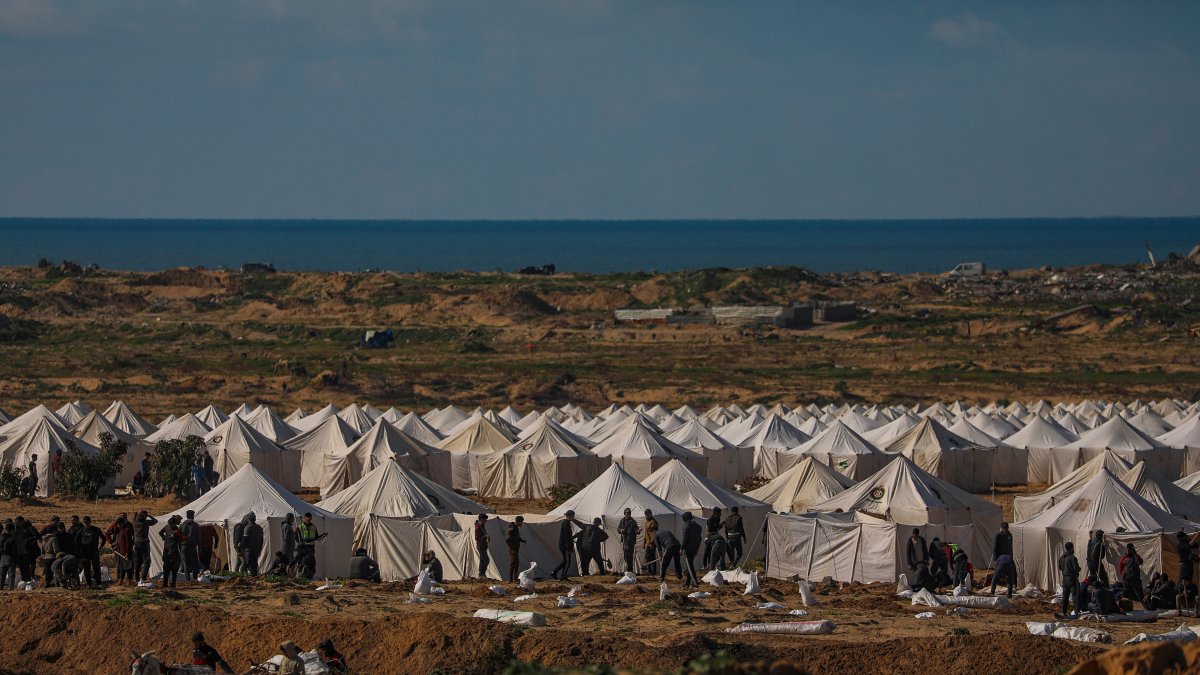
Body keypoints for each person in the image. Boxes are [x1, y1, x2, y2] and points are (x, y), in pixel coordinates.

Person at [74, 516, 107, 588]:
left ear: (90, 522)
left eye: (88, 523)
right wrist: (79, 551)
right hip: (84, 553)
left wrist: (100, 547)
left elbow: (104, 538)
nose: (86, 524)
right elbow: (76, 542)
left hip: (94, 552)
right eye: (85, 523)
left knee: (96, 568)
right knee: (86, 568)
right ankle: (89, 583)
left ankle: (98, 583)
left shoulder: (96, 529)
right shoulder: (81, 531)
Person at [106, 513, 134, 585]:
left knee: (128, 566)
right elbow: (108, 534)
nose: (117, 526)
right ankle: (120, 580)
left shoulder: (127, 529)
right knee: (121, 566)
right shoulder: (118, 528)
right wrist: (112, 543)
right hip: (119, 550)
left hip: (126, 551)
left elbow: (128, 542)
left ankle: (130, 581)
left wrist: (127, 552)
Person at [160, 516, 187, 588]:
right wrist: (164, 538)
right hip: (170, 552)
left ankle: (172, 584)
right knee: (168, 569)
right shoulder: (173, 529)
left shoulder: (171, 528)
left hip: (172, 552)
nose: (171, 526)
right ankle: (166, 584)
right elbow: (160, 532)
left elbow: (181, 539)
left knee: (173, 569)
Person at [551, 511, 579, 581]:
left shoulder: (565, 523)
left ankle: (554, 572)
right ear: (570, 516)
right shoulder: (566, 523)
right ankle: (563, 577)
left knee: (565, 561)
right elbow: (566, 537)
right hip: (565, 546)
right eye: (573, 516)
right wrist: (569, 548)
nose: (573, 517)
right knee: (567, 562)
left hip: (563, 545)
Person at [295, 512, 323, 579]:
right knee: (302, 561)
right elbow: (296, 536)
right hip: (303, 547)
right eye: (307, 517)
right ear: (304, 518)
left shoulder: (313, 526)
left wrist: (321, 536)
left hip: (311, 547)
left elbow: (316, 537)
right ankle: (301, 575)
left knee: (310, 561)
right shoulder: (300, 527)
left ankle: (309, 575)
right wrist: (300, 543)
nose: (308, 518)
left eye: (309, 517)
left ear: (311, 518)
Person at [132, 510, 158, 582]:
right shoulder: (145, 523)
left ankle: (136, 577)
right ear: (144, 517)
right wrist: (149, 516)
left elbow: (134, 517)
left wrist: (137, 514)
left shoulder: (134, 522)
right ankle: (143, 577)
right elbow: (155, 521)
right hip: (144, 542)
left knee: (137, 561)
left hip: (136, 542)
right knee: (146, 561)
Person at [1058, 541, 1081, 616]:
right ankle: (1077, 612)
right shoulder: (1072, 558)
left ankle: (1063, 611)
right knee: (1075, 596)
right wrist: (1078, 569)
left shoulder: (1062, 558)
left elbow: (1060, 568)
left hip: (1065, 579)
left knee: (1065, 596)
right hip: (1072, 579)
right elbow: (1076, 568)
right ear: (1071, 548)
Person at [681, 513, 702, 587]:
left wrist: (682, 548)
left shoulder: (686, 525)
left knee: (689, 565)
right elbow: (699, 539)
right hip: (694, 548)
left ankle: (694, 582)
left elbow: (685, 538)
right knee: (689, 565)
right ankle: (687, 582)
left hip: (688, 548)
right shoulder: (698, 526)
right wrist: (697, 548)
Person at [616, 509, 639, 574]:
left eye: (629, 513)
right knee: (626, 555)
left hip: (631, 541)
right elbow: (618, 529)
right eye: (627, 513)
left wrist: (637, 531)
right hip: (625, 541)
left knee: (630, 556)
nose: (629, 514)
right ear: (624, 513)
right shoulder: (622, 521)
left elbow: (636, 529)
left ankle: (630, 569)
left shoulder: (633, 521)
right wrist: (621, 530)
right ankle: (629, 568)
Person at [180, 510, 202, 581]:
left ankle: (188, 578)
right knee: (194, 562)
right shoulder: (196, 525)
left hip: (184, 546)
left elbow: (179, 537)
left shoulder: (182, 525)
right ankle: (195, 577)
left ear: (186, 516)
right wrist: (200, 548)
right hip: (192, 546)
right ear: (192, 516)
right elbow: (198, 537)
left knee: (185, 563)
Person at [506, 516, 526, 583]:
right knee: (513, 564)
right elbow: (508, 540)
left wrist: (522, 540)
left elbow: (516, 537)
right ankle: (511, 579)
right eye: (521, 522)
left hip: (515, 548)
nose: (522, 524)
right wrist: (512, 549)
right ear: (518, 521)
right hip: (513, 549)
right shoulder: (513, 529)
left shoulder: (516, 528)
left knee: (516, 563)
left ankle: (515, 578)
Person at [474, 514, 491, 579]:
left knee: (482, 560)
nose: (486, 521)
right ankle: (481, 573)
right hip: (480, 546)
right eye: (485, 519)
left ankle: (482, 574)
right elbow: (477, 538)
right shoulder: (478, 527)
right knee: (486, 560)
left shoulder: (482, 526)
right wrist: (485, 536)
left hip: (483, 545)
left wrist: (487, 538)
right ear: (481, 519)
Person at [0, 522, 16, 590]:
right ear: (11, 530)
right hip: (10, 557)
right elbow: (14, 550)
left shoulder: (0, 538)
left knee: (1, 575)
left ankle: (0, 587)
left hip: (2, 558)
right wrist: (16, 559)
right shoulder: (11, 539)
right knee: (11, 574)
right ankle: (10, 587)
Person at [643, 510, 659, 576]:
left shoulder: (653, 522)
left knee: (652, 557)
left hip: (652, 543)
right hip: (647, 543)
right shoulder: (646, 521)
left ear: (651, 514)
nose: (646, 515)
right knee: (647, 557)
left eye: (648, 514)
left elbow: (654, 533)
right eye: (646, 514)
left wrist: (651, 542)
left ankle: (653, 572)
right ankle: (649, 571)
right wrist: (644, 542)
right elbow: (646, 533)